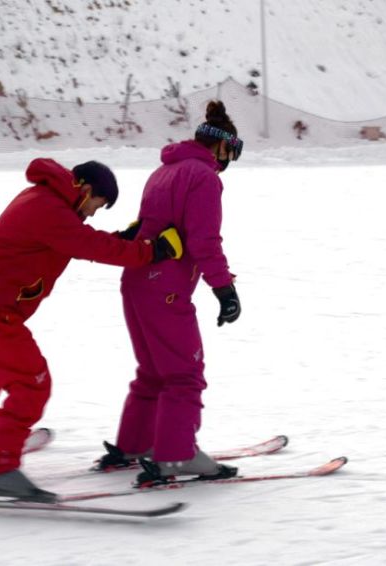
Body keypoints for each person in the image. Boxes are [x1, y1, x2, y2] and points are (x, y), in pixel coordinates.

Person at [0, 158, 183, 502]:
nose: (94, 213)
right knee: (31, 385)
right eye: (97, 205)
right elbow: (90, 246)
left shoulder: (45, 200)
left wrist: (124, 240)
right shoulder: (49, 208)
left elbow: (79, 240)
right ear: (85, 189)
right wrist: (150, 251)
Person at [98, 101, 244, 483]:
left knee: (153, 371)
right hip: (164, 287)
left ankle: (134, 443)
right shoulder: (204, 177)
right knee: (184, 374)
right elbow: (204, 241)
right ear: (223, 146)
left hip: (135, 281)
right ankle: (176, 456)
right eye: (233, 151)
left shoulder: (163, 171)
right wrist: (225, 289)